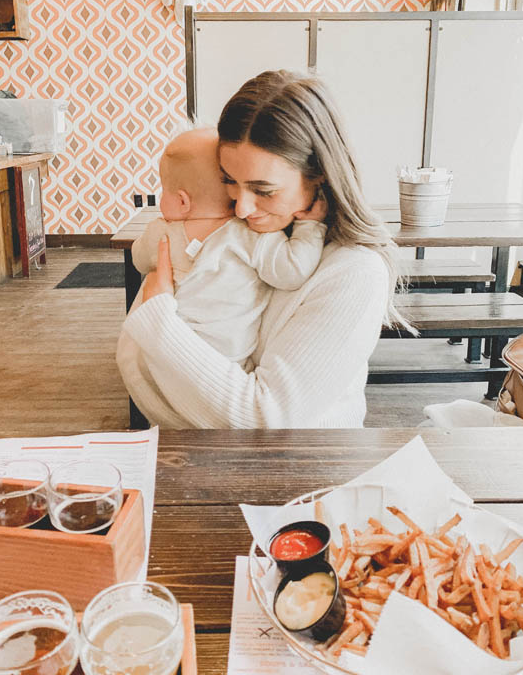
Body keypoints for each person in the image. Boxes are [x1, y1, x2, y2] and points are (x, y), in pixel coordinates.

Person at [117, 70, 408, 429]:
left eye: (264, 190)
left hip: (299, 472)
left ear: (319, 176)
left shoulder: (355, 273)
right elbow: (144, 363)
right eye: (230, 182)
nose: (241, 207)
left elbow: (264, 419)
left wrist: (158, 321)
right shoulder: (238, 232)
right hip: (201, 455)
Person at [128, 126, 327, 368]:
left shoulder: (161, 234)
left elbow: (138, 258)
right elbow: (293, 271)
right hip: (230, 359)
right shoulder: (250, 236)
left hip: (168, 354)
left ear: (182, 201)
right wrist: (310, 226)